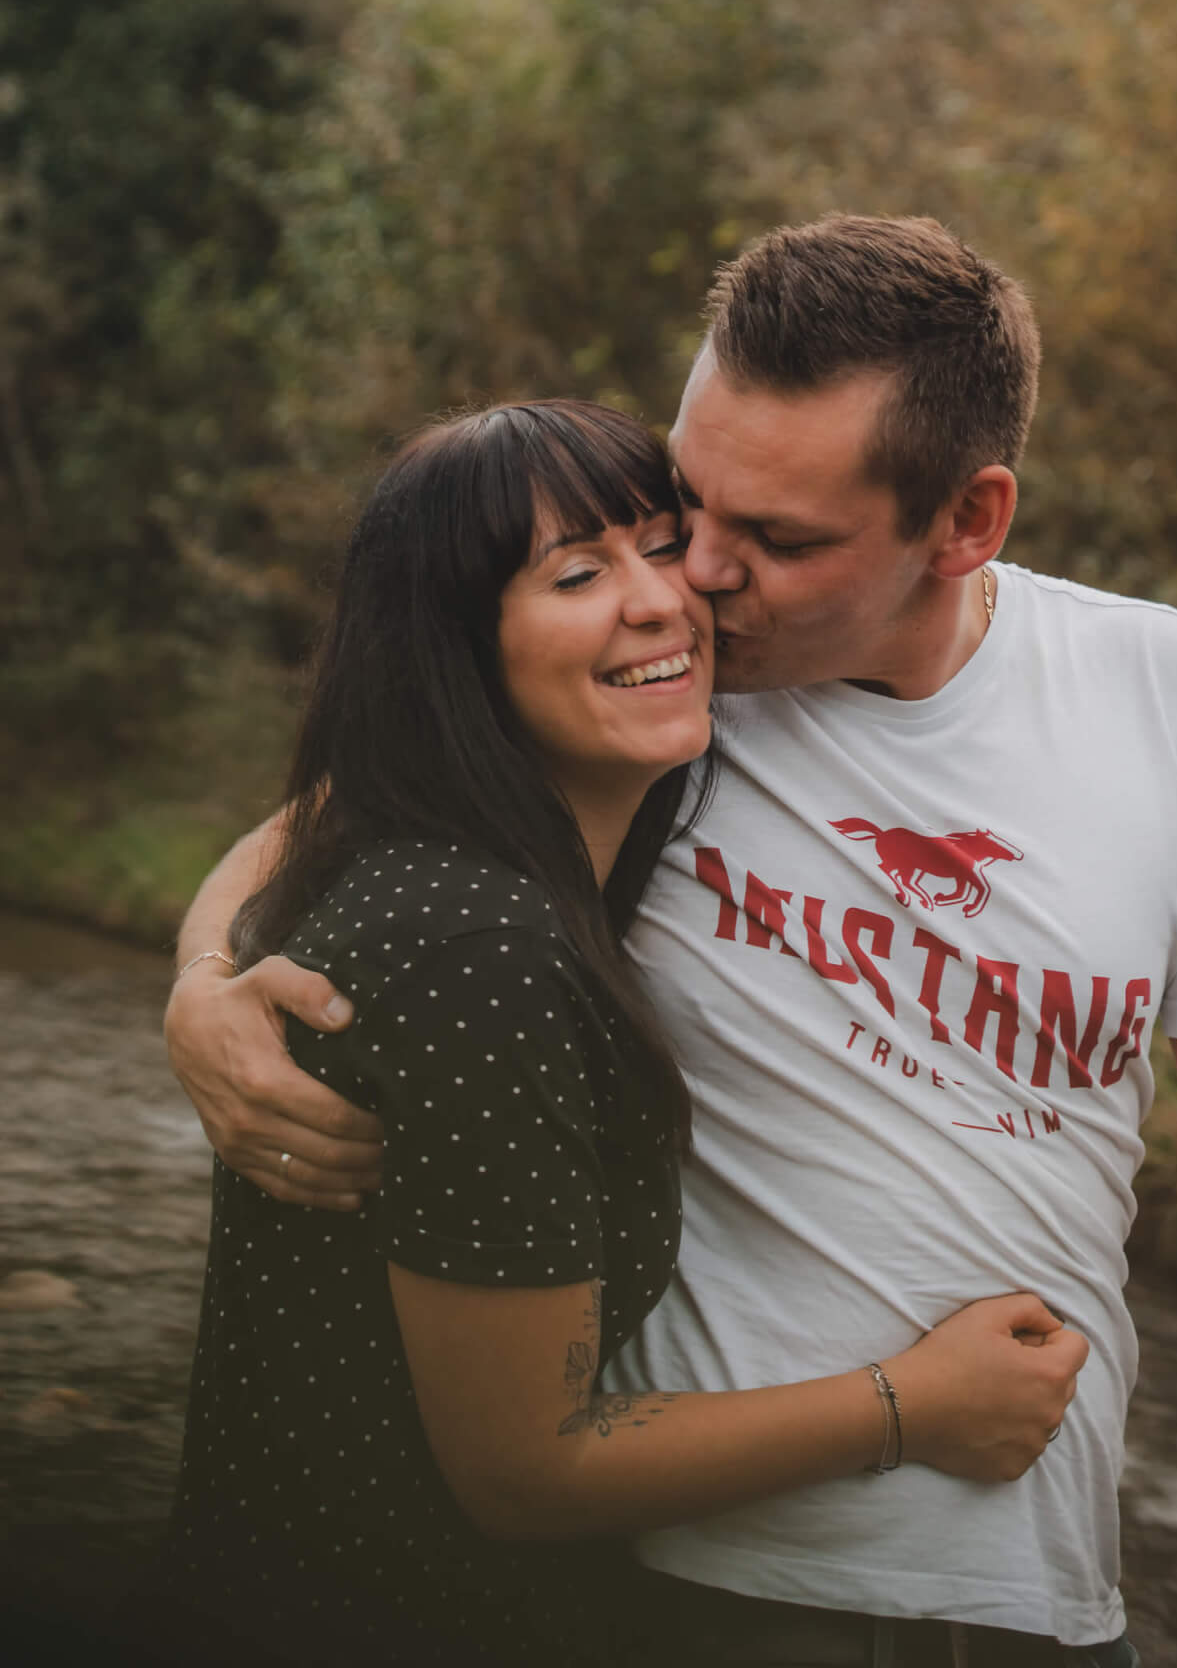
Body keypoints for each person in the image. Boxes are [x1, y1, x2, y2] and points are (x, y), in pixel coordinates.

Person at [167, 216, 1177, 1668]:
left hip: (1042, 1589)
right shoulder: (657, 692)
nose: (698, 576)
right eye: (690, 502)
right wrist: (206, 983)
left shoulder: (1161, 689)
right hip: (675, 1583)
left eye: (777, 540)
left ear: (967, 522)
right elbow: (354, 812)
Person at [162, 394, 1086, 1668]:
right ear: (454, 644)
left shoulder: (458, 856)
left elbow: (317, 802)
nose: (659, 599)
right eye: (577, 573)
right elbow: (525, 1469)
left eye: (664, 545)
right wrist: (913, 1404)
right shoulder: (478, 947)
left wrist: (204, 963)